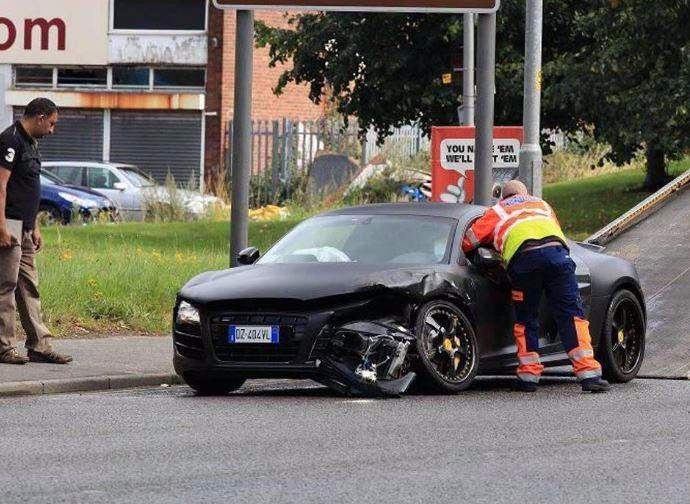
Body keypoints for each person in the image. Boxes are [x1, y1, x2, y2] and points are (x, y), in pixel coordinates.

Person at [462, 180, 609, 392]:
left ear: (503, 196)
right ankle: (589, 375)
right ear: (526, 193)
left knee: (526, 318)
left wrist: (492, 246)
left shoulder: (499, 210)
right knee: (571, 316)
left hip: (525, 262)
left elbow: (469, 241)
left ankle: (529, 377)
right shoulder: (541, 204)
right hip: (558, 258)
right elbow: (555, 230)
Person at [0, 98, 72, 365]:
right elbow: (1, 185)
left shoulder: (31, 143)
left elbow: (30, 187)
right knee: (5, 287)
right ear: (40, 117)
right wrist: (1, 227)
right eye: (52, 123)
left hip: (26, 227)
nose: (52, 129)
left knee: (29, 286)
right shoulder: (10, 140)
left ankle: (39, 346)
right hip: (9, 224)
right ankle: (4, 347)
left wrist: (35, 226)